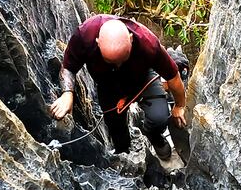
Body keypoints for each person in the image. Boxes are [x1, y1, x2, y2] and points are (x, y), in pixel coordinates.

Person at [49, 14, 188, 159]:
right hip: (108, 85)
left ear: (131, 39)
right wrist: (67, 93)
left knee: (159, 118)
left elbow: (173, 76)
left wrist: (179, 105)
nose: (118, 65)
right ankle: (124, 151)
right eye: (111, 61)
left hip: (143, 79)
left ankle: (153, 135)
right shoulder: (85, 36)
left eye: (123, 58)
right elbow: (68, 67)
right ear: (97, 42)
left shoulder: (147, 42)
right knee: (117, 131)